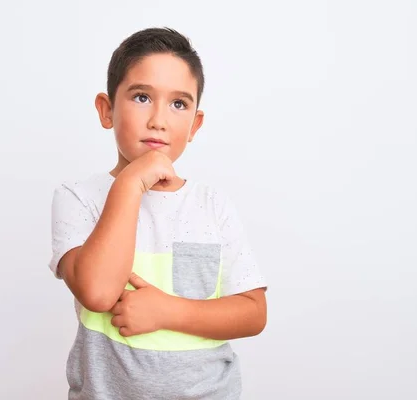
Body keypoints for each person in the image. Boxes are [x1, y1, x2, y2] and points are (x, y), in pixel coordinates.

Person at [49, 27, 267, 400]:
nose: (159, 120)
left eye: (178, 104)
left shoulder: (213, 205)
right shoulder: (78, 198)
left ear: (195, 124)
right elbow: (98, 293)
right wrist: (130, 184)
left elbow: (253, 313)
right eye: (141, 97)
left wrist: (168, 311)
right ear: (107, 109)